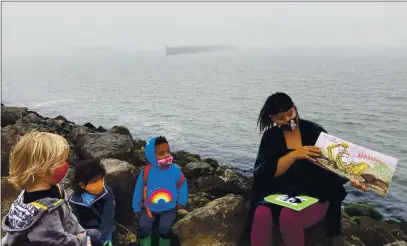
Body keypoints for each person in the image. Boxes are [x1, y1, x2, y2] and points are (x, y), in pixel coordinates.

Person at [246, 92, 367, 246]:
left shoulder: (314, 132)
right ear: (272, 119)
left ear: (295, 108)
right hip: (278, 195)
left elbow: (336, 167)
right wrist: (295, 155)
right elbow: (262, 175)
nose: (287, 120)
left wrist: (353, 179)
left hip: (315, 195)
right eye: (280, 118)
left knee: (287, 216)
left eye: (290, 114)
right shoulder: (271, 137)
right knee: (261, 214)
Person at [1, 131, 97, 246]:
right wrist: (83, 241)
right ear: (41, 170)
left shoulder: (53, 188)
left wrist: (79, 230)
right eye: (62, 161)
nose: (67, 164)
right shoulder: (45, 213)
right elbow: (59, 241)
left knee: (93, 234)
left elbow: (68, 215)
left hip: (66, 231)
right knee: (94, 236)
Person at [132, 136, 188, 246]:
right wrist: (136, 207)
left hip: (169, 208)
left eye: (168, 152)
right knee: (144, 228)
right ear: (152, 156)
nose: (166, 155)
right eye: (161, 154)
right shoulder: (146, 172)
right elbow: (138, 189)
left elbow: (182, 183)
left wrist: (181, 201)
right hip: (149, 208)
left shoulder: (174, 170)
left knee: (165, 229)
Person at [69, 158, 115, 246]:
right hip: (86, 232)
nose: (99, 183)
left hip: (105, 230)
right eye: (95, 181)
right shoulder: (74, 200)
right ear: (82, 185)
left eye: (101, 179)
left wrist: (102, 237)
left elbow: (108, 217)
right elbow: (76, 223)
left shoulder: (107, 192)